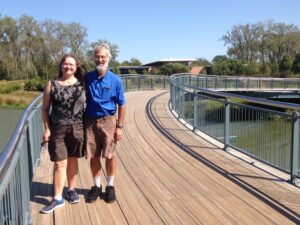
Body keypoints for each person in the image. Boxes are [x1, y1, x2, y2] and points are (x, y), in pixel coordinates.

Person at [40, 54, 86, 213]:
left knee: (73, 160)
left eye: (71, 65)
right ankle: (57, 198)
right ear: (61, 66)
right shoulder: (51, 85)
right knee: (60, 163)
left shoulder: (82, 84)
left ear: (76, 67)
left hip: (77, 128)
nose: (68, 67)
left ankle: (71, 190)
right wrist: (47, 128)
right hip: (57, 128)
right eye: (66, 64)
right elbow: (45, 109)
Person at [85, 43, 125, 203]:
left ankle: (110, 186)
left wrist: (119, 127)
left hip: (109, 121)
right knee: (93, 155)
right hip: (90, 121)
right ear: (93, 58)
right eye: (97, 56)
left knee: (109, 155)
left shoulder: (115, 80)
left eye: (103, 57)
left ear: (108, 58)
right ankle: (96, 186)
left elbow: (122, 104)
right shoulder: (87, 77)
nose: (100, 59)